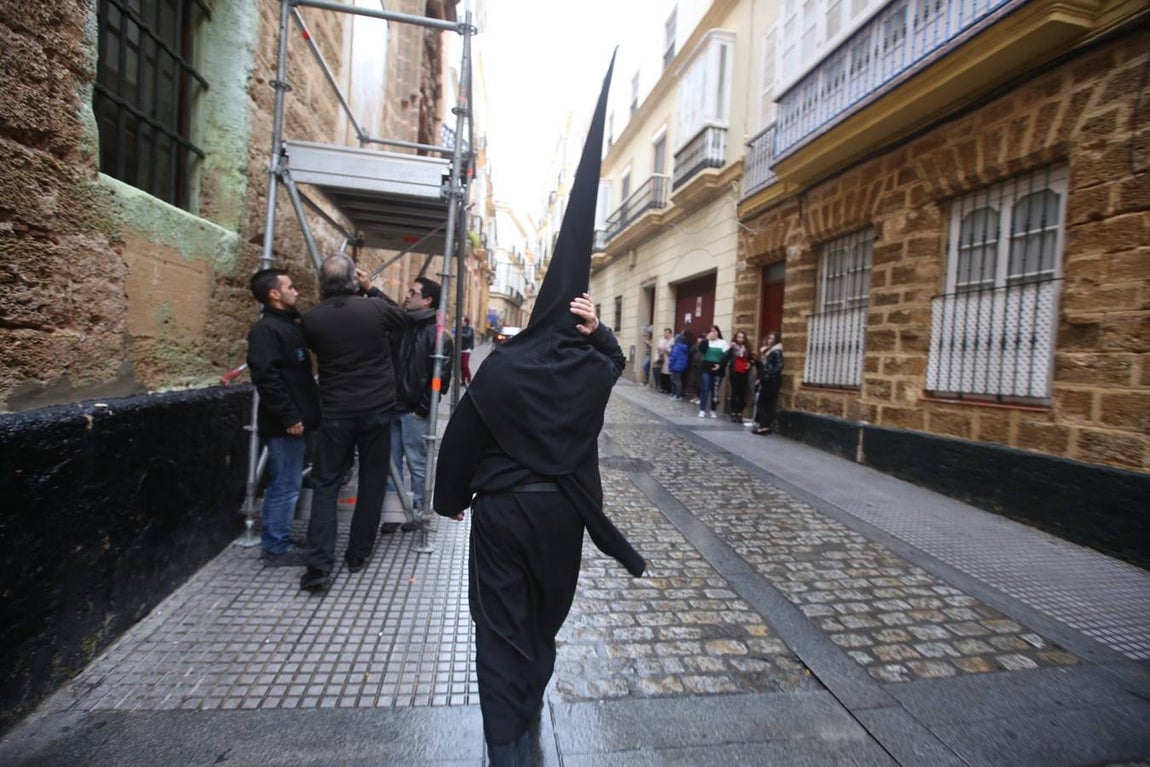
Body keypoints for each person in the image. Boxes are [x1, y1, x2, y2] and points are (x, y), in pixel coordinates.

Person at [433, 57, 644, 767]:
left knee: (501, 626)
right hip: (562, 517)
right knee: (544, 621)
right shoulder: (591, 368)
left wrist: (450, 499)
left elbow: (461, 436)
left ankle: (506, 746)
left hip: (500, 515)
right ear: (576, 313)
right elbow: (615, 362)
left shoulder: (505, 366)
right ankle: (525, 708)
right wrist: (602, 330)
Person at [298, 254, 407, 592]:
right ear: (353, 280)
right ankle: (357, 554)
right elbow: (404, 319)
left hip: (335, 412)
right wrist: (371, 290)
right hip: (376, 410)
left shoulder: (311, 319)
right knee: (372, 481)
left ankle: (318, 566)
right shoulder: (373, 309)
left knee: (326, 484)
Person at [246, 268, 320, 567]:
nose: (296, 291)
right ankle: (275, 547)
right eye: (290, 287)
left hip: (296, 421)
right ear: (274, 294)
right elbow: (267, 378)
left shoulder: (287, 326)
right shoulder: (266, 330)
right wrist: (289, 416)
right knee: (285, 486)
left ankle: (280, 537)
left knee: (289, 483)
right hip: (284, 425)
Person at [382, 277, 453, 533]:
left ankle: (420, 512)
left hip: (414, 414)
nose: (407, 295)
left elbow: (439, 381)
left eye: (413, 292)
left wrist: (422, 409)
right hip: (393, 407)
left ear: (427, 300)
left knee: (417, 463)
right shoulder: (401, 326)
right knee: (390, 463)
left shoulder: (440, 337)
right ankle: (393, 511)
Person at [754, 331, 784, 435]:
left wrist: (768, 376)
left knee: (763, 403)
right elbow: (764, 367)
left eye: (772, 339)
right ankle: (765, 426)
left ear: (776, 340)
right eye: (769, 338)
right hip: (768, 380)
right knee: (767, 404)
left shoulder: (776, 351)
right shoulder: (768, 351)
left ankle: (764, 426)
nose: (770, 340)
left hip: (771, 381)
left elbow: (779, 365)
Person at [697, 325, 730, 419]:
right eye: (711, 331)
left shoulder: (723, 343)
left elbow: (726, 356)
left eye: (715, 331)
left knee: (715, 390)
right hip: (706, 367)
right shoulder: (707, 342)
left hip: (718, 368)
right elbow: (701, 350)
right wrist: (706, 339)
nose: (713, 333)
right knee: (705, 387)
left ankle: (713, 409)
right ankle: (702, 410)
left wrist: (720, 364)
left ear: (718, 332)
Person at [725, 330, 753, 423]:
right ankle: (733, 412)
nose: (741, 339)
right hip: (735, 372)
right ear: (736, 338)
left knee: (742, 393)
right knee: (735, 392)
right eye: (739, 337)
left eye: (742, 337)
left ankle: (740, 413)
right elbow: (726, 357)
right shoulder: (733, 348)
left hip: (744, 372)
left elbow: (751, 359)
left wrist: (750, 364)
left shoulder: (747, 348)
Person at [668, 328, 690, 401]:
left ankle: (677, 395)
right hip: (681, 366)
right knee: (677, 380)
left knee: (675, 380)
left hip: (675, 366)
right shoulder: (684, 347)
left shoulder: (676, 347)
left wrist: (670, 365)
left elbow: (673, 357)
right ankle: (676, 394)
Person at [656, 327, 673, 393]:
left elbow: (672, 350)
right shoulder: (661, 339)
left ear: (670, 334)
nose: (666, 334)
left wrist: (667, 350)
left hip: (669, 359)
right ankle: (663, 387)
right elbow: (658, 348)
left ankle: (668, 389)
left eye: (667, 333)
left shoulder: (672, 340)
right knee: (662, 374)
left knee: (667, 374)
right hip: (662, 358)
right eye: (665, 332)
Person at [459, 316, 475, 387]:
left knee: (465, 365)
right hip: (460, 349)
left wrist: (460, 334)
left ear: (465, 322)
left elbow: (468, 336)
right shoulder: (460, 329)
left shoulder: (470, 329)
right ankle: (463, 381)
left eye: (462, 321)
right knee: (461, 366)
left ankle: (469, 379)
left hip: (466, 349)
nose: (461, 322)